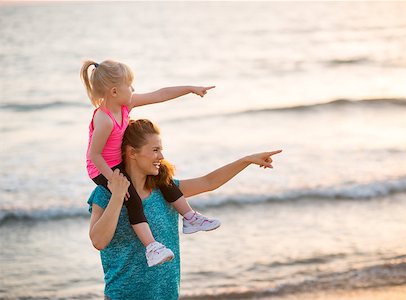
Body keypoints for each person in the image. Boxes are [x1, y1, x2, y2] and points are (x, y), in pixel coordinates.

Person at [88, 118, 282, 299]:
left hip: (168, 295)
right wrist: (117, 196)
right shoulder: (104, 194)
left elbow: (209, 182)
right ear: (132, 153)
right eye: (155, 150)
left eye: (161, 150)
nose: (161, 156)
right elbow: (98, 241)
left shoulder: (165, 189)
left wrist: (246, 160)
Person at [80, 59, 220, 267]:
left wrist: (190, 88)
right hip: (101, 169)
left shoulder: (127, 104)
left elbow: (160, 95)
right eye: (130, 85)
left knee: (161, 174)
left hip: (118, 161)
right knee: (133, 199)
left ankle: (190, 217)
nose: (134, 89)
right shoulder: (104, 119)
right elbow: (95, 155)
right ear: (114, 92)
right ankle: (151, 246)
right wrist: (114, 180)